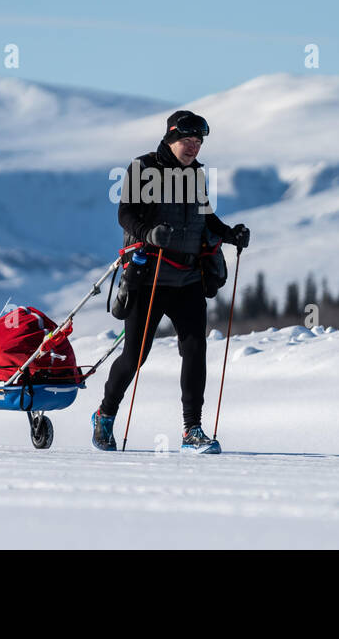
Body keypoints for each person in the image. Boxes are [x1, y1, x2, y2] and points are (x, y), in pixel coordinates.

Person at [92, 110, 251, 453]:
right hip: (148, 276)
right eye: (187, 141)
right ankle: (104, 415)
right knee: (135, 355)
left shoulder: (196, 176)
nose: (193, 148)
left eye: (198, 142)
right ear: (170, 138)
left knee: (195, 350)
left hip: (189, 276)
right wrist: (149, 232)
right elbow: (125, 213)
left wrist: (230, 234)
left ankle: (192, 430)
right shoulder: (143, 168)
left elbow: (206, 217)